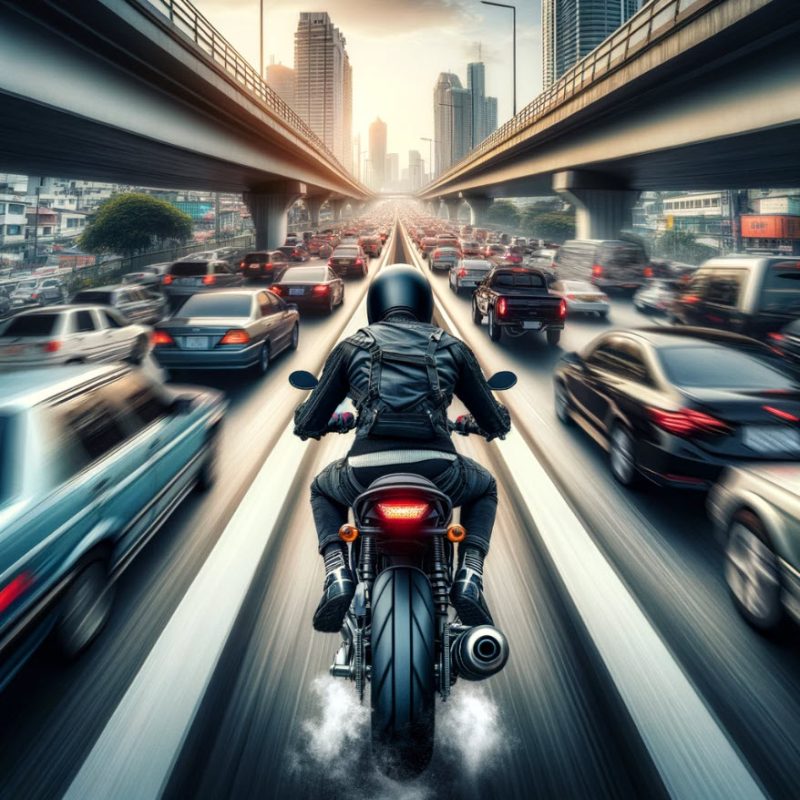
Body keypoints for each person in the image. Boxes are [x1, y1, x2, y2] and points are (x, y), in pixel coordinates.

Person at [294, 264, 511, 633]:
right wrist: (483, 423)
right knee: (486, 486)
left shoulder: (351, 346)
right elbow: (496, 422)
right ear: (424, 303)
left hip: (364, 473)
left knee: (320, 487)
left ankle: (337, 573)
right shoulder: (451, 346)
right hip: (439, 472)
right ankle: (470, 575)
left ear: (376, 304)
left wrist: (327, 421)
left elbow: (307, 423)